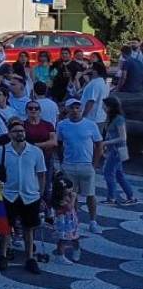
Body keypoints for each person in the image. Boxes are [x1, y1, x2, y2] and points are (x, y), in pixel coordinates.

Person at [0, 119, 46, 274]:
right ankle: (3, 255)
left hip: (31, 195)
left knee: (29, 228)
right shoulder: (1, 150)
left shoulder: (35, 151)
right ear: (9, 134)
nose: (20, 133)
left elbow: (41, 174)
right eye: (16, 131)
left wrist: (40, 194)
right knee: (6, 227)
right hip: (9, 194)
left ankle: (30, 258)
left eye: (22, 131)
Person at [56, 98, 103, 233]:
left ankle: (93, 221)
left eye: (78, 108)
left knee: (91, 195)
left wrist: (94, 164)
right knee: (71, 195)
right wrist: (61, 161)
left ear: (81, 109)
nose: (75, 110)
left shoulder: (91, 124)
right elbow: (58, 144)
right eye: (72, 108)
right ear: (67, 109)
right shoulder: (62, 125)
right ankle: (74, 219)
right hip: (69, 165)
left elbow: (99, 144)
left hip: (86, 164)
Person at [101, 97, 136, 205]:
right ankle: (130, 196)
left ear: (110, 107)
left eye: (104, 105)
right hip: (113, 150)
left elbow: (122, 137)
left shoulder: (118, 119)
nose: (103, 107)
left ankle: (111, 198)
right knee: (119, 174)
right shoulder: (110, 118)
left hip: (117, 150)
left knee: (108, 173)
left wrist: (105, 143)